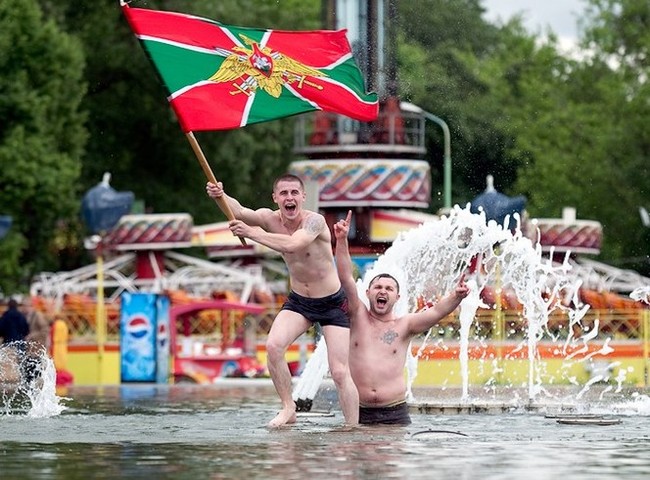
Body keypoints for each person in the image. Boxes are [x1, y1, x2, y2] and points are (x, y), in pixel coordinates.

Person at [206, 174, 359, 428]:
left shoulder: (314, 222)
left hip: (332, 302)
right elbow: (240, 211)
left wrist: (252, 234)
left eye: (294, 193)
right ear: (275, 198)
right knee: (274, 347)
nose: (290, 198)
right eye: (284, 194)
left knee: (340, 371)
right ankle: (289, 408)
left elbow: (291, 245)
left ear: (302, 197)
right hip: (300, 301)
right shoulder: (268, 218)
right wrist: (220, 195)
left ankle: (352, 427)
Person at [333, 211, 470, 425]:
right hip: (358, 411)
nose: (383, 291)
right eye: (378, 287)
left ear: (397, 297)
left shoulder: (405, 325)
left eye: (389, 288)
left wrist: (456, 296)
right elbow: (346, 278)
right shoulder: (357, 316)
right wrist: (341, 240)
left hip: (394, 412)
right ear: (368, 292)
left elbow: (435, 313)